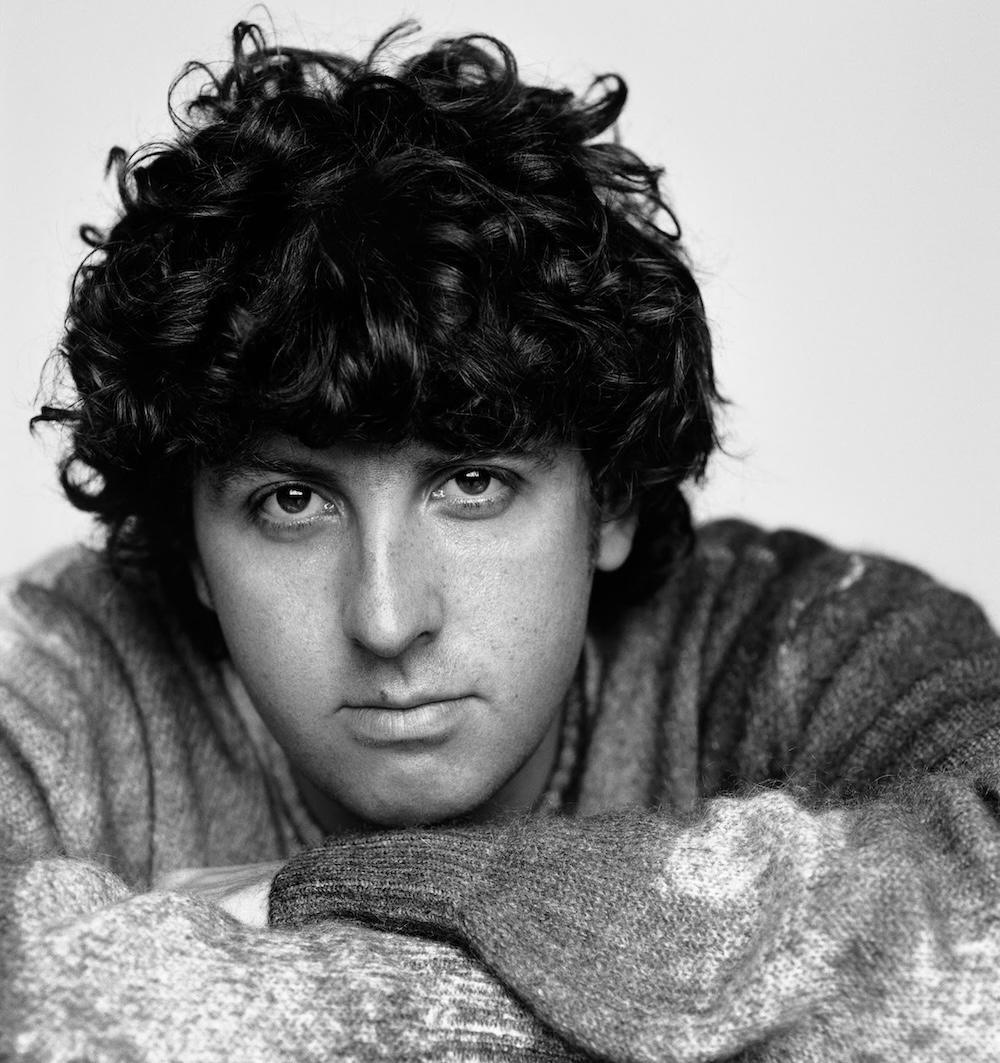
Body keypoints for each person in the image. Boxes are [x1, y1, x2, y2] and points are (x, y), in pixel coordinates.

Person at [2, 20, 999, 1063]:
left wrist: (371, 895)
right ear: (190, 546)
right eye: (293, 502)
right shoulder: (60, 674)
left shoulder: (803, 641)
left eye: (471, 483)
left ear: (611, 498)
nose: (387, 619)